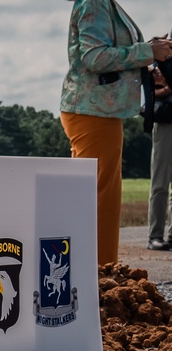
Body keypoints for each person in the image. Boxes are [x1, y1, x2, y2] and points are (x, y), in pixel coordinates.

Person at [60, 0, 172, 266]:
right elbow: (94, 57)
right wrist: (147, 51)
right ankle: (95, 274)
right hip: (92, 111)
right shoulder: (94, 2)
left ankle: (98, 272)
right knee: (98, 199)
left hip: (100, 112)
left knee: (103, 198)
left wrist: (147, 62)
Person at [147, 58, 172, 250]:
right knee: (160, 183)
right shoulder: (159, 59)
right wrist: (165, 89)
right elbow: (146, 91)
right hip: (165, 123)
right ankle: (155, 235)